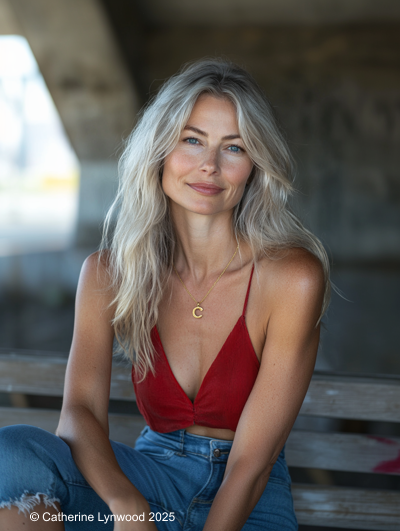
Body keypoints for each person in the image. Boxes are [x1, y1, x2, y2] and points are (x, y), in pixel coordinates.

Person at [0, 59, 330, 531]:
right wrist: (129, 509)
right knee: (13, 453)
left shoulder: (291, 277)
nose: (209, 166)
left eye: (233, 147)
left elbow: (251, 465)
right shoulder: (108, 273)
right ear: (159, 149)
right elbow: (79, 414)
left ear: (254, 164)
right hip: (148, 484)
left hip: (247, 502)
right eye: (191, 140)